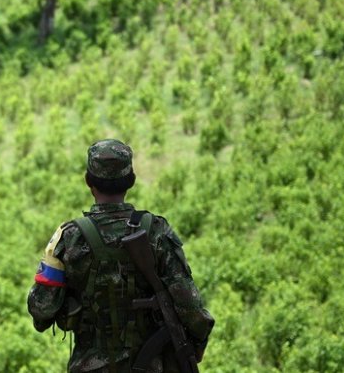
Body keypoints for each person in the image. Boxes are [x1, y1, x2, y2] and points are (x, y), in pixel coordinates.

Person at [28, 139, 214, 372]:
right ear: (131, 181)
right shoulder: (156, 231)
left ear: (88, 181)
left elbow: (41, 309)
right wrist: (195, 343)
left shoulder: (69, 238)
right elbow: (190, 306)